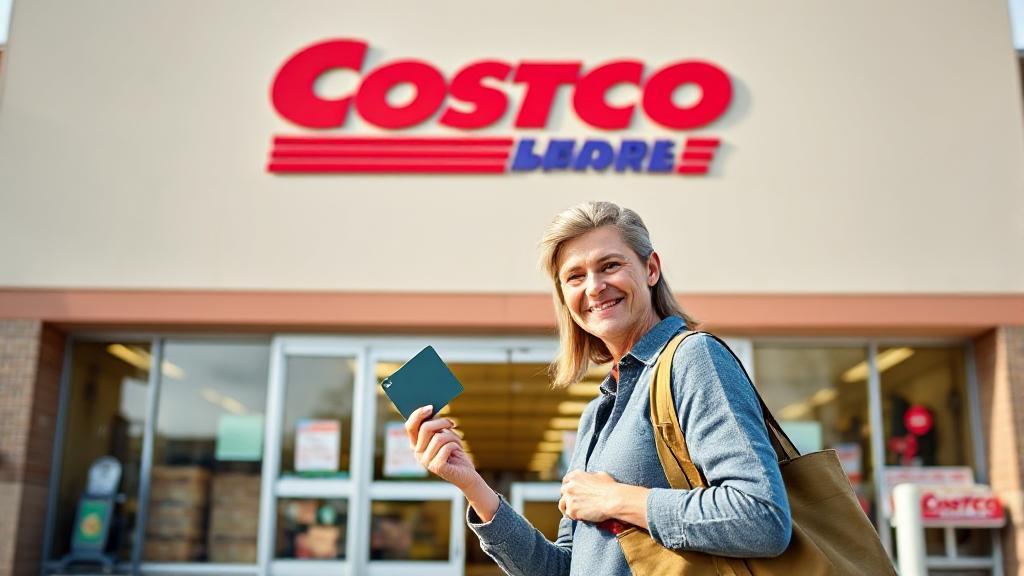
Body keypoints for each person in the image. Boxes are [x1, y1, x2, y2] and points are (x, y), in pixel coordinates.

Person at [405, 201, 792, 575]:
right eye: (575, 276)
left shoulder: (693, 358)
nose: (594, 287)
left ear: (651, 269)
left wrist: (616, 499)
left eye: (610, 265)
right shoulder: (596, 414)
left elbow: (761, 517)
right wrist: (472, 484)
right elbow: (566, 569)